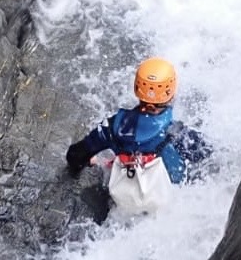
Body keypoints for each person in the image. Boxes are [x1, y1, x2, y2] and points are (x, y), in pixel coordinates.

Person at [65, 58, 211, 215]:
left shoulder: (113, 126)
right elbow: (208, 158)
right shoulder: (179, 133)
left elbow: (74, 156)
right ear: (171, 94)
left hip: (125, 201)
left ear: (136, 87)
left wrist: (88, 161)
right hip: (167, 202)